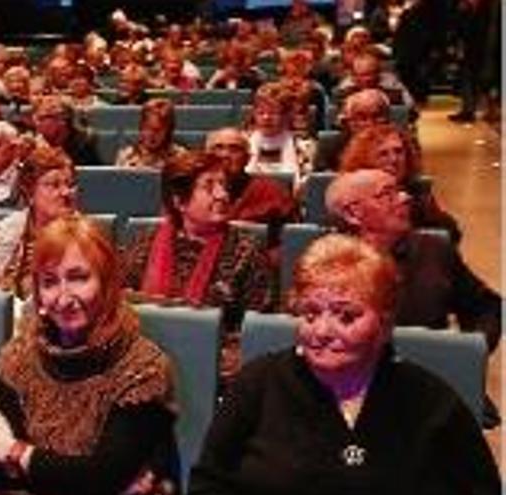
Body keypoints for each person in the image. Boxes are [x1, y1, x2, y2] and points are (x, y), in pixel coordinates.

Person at [188, 233, 501, 494]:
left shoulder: (431, 403)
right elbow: (208, 482)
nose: (322, 331)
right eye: (310, 314)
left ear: (385, 323)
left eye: (346, 316)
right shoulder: (257, 384)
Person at [0, 214, 180, 495]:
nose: (63, 297)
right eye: (49, 282)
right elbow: (0, 476)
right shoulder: (15, 361)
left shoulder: (142, 368)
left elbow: (101, 477)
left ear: (107, 284)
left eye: (78, 278)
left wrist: (16, 452)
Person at [125, 150, 273, 381]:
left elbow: (257, 327)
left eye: (223, 185)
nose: (222, 195)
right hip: (142, 362)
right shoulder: (145, 241)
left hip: (213, 368)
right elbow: (122, 304)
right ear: (179, 201)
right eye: (209, 187)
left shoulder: (247, 249)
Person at [325, 169, 501, 353]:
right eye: (387, 194)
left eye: (399, 190)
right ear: (353, 213)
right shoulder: (323, 263)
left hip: (425, 369)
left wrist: (470, 351)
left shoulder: (434, 249)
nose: (404, 198)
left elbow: (485, 307)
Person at [0, 143, 76, 299]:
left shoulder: (87, 237)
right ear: (29, 191)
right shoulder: (2, 231)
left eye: (70, 185)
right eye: (54, 185)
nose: (66, 192)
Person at [338, 123, 461, 243]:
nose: (394, 159)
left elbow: (451, 233)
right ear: (365, 160)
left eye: (398, 151)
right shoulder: (350, 195)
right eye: (383, 154)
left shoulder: (417, 194)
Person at [204, 128, 297, 239]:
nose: (225, 154)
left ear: (247, 158)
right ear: (206, 154)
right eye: (218, 148)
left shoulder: (272, 191)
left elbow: (288, 240)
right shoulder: (192, 192)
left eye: (234, 149)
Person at [243, 83, 315, 191]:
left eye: (274, 113)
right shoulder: (241, 142)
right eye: (261, 113)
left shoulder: (305, 146)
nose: (266, 118)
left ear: (287, 115)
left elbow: (307, 186)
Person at [115, 98, 186, 170]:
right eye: (147, 128)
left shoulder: (180, 157)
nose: (151, 134)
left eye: (157, 130)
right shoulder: (126, 156)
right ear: (141, 127)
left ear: (168, 131)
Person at [30, 95, 101, 166]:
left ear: (65, 118)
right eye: (39, 119)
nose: (41, 125)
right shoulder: (30, 140)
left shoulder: (81, 141)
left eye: (48, 117)